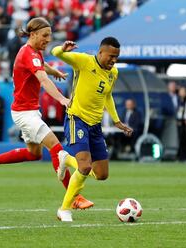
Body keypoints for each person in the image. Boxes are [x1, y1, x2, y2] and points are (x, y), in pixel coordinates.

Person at [0, 17, 93, 210]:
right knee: (56, 147)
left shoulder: (32, 52)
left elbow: (42, 65)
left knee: (33, 154)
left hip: (27, 111)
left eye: (50, 36)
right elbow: (43, 80)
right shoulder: (29, 54)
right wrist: (62, 99)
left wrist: (54, 71)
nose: (48, 39)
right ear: (33, 34)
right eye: (45, 35)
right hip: (25, 114)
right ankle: (75, 197)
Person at [51, 37, 133, 221]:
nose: (114, 60)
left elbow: (108, 96)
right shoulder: (84, 61)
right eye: (111, 56)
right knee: (85, 167)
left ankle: (66, 159)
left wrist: (117, 121)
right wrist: (62, 48)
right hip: (76, 119)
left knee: (102, 174)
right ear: (100, 52)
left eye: (117, 57)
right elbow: (54, 53)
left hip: (95, 126)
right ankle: (64, 209)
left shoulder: (113, 72)